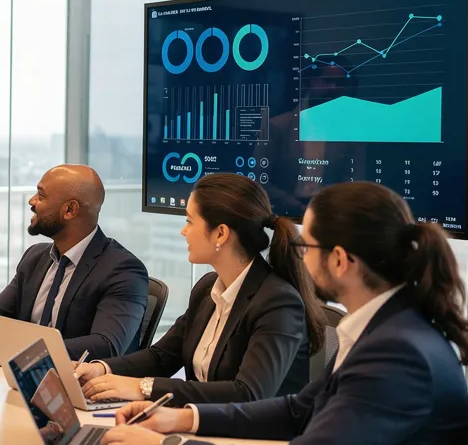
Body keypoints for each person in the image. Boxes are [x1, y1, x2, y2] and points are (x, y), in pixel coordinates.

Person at [96, 181, 468, 445]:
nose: (298, 257)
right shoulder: (388, 329)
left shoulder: (397, 355)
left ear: (340, 260)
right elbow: (298, 409)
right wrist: (181, 418)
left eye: (306, 246)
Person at [76, 173, 321, 405]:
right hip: (206, 424)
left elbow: (248, 393)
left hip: (259, 439)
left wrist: (143, 388)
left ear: (221, 234)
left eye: (190, 221)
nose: (183, 231)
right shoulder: (207, 289)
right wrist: (101, 369)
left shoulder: (277, 302)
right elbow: (162, 356)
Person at [0, 165, 149, 362]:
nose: (31, 201)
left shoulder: (123, 271)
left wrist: (12, 349)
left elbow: (106, 346)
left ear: (69, 210)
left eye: (41, 196)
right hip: (25, 378)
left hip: (80, 387)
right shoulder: (36, 257)